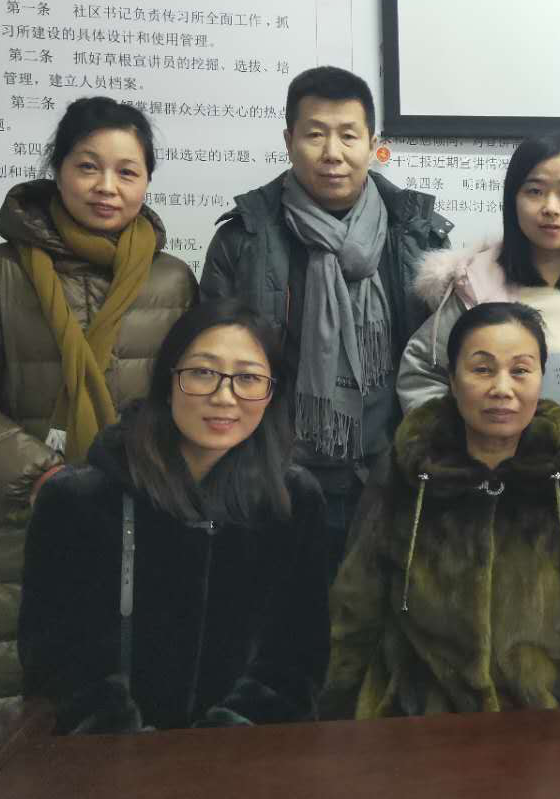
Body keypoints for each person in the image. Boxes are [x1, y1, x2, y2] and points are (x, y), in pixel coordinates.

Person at [0, 96, 197, 711]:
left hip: (138, 520)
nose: (107, 187)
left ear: (147, 180)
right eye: (87, 166)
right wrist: (44, 478)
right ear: (58, 168)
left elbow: (186, 397)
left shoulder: (172, 281)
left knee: (125, 710)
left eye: (127, 171)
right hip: (16, 525)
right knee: (1, 712)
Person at [322, 302, 560, 716]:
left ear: (541, 378)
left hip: (546, 723)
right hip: (417, 722)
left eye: (520, 370)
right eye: (482, 369)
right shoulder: (408, 470)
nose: (502, 388)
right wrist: (345, 716)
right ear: (452, 380)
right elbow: (356, 605)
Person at [19, 300, 329, 733]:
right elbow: (60, 665)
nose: (224, 397)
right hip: (106, 760)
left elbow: (295, 660)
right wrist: (134, 752)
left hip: (246, 759)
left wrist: (220, 746)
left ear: (271, 394)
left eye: (248, 378)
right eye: (202, 372)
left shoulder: (293, 502)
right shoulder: (79, 501)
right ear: (169, 381)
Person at [200, 67, 452, 574]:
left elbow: (442, 365)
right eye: (315, 134)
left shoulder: (419, 237)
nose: (332, 153)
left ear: (373, 144)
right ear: (288, 141)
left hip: (394, 480)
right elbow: (211, 367)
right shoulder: (243, 239)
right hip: (274, 481)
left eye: (348, 136)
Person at [398, 132, 560, 451]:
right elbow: (421, 378)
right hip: (491, 474)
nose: (550, 207)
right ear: (513, 199)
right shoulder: (473, 287)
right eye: (535, 191)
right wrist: (462, 444)